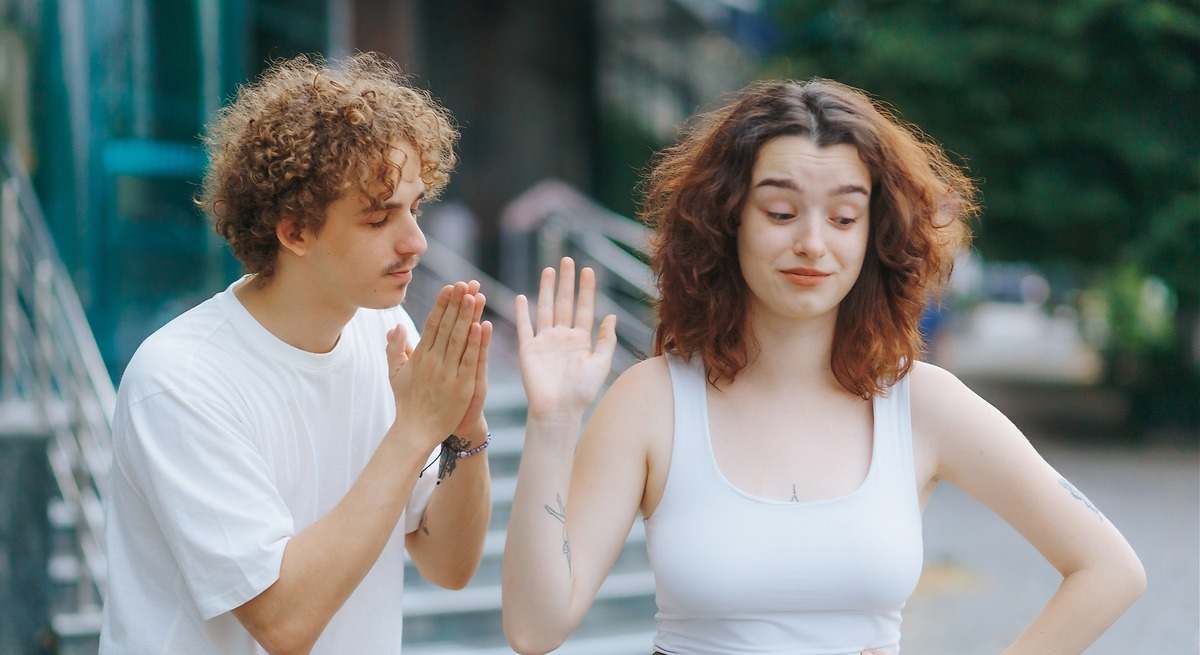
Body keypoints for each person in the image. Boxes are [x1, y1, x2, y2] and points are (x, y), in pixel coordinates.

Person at [500, 79, 1145, 655]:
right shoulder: (652, 402)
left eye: (843, 217)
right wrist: (552, 423)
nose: (812, 241)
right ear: (727, 221)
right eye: (780, 212)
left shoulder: (920, 403)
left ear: (875, 235)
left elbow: (1109, 569)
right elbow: (535, 629)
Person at [100, 53, 494, 654]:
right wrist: (417, 427)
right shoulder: (178, 379)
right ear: (295, 232)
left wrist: (464, 429)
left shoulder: (383, 328)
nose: (415, 241)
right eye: (378, 217)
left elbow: (449, 565)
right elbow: (284, 623)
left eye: (415, 208)